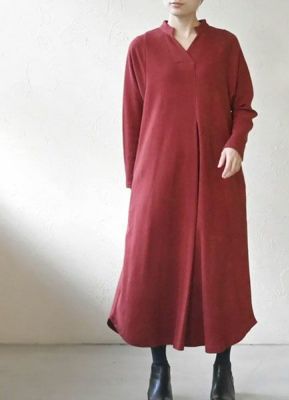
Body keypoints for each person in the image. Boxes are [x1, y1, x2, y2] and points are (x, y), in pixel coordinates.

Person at [107, 1, 259, 399]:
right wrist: (136, 180)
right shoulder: (142, 48)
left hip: (216, 176)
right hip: (157, 176)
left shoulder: (225, 45)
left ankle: (223, 369)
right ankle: (159, 369)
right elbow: (131, 117)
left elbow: (243, 107)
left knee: (220, 268)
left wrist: (235, 144)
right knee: (153, 266)